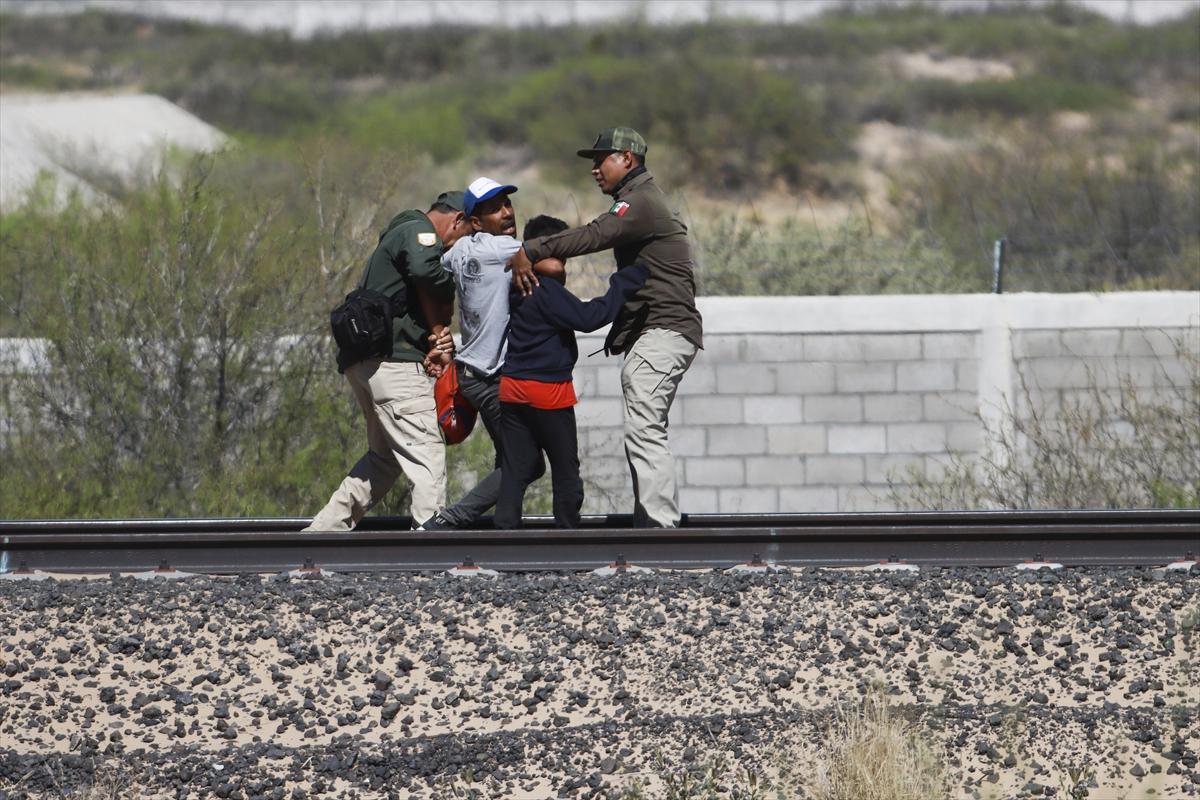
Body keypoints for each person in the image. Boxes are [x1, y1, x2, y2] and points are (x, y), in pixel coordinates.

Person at [506, 127, 703, 528]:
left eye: (602, 160)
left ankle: (660, 531)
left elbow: (594, 234)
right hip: (660, 332)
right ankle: (651, 526)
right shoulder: (643, 201)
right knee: (645, 430)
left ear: (627, 159)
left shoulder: (640, 202)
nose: (595, 169)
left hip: (662, 331)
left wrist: (532, 248)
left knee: (645, 431)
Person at [304, 191, 469, 531]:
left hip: (367, 365)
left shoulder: (398, 233)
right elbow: (425, 270)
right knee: (426, 450)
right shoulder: (418, 231)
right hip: (395, 365)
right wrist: (451, 283)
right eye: (463, 237)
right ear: (456, 220)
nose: (453, 248)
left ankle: (321, 535)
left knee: (384, 460)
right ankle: (431, 538)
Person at [419, 177, 565, 530]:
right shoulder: (504, 250)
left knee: (509, 459)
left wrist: (436, 328)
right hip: (493, 378)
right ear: (475, 221)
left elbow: (432, 273)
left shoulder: (457, 252)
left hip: (468, 374)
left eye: (507, 204)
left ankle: (504, 531)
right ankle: (451, 520)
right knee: (527, 463)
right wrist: (527, 259)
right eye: (494, 208)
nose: (506, 212)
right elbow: (556, 268)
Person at [495, 215, 650, 529]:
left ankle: (504, 536)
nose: (565, 262)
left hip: (511, 389)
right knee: (566, 471)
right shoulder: (544, 289)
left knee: (516, 468)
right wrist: (625, 281)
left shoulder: (515, 285)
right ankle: (568, 535)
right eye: (561, 253)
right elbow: (590, 317)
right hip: (547, 391)